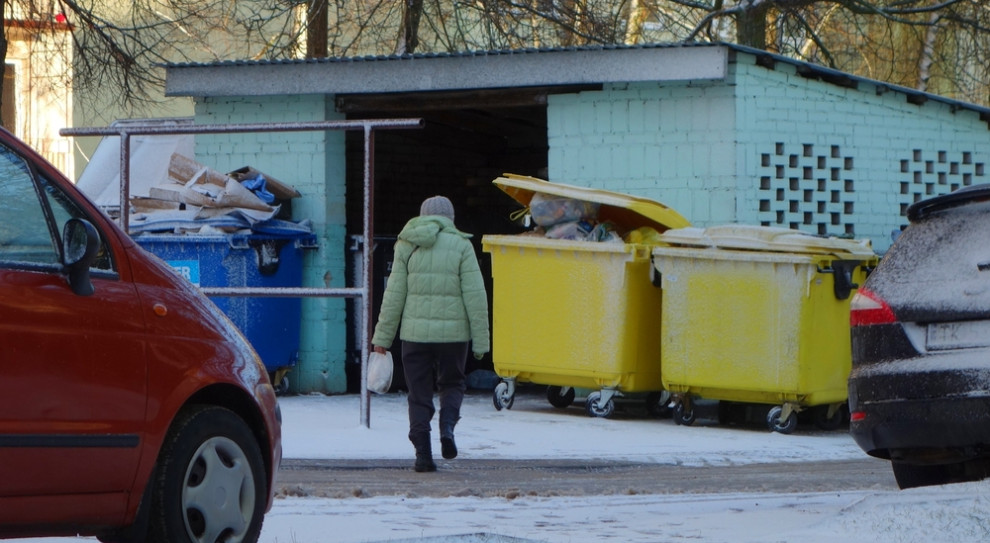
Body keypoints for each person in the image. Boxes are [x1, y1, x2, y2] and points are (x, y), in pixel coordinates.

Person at [371, 195, 491, 472]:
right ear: (450, 219)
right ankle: (447, 428)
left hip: (414, 336)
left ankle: (423, 454)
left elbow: (394, 296)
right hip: (454, 337)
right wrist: (481, 341)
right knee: (452, 384)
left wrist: (382, 339)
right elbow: (476, 297)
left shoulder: (406, 245)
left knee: (418, 393)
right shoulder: (462, 245)